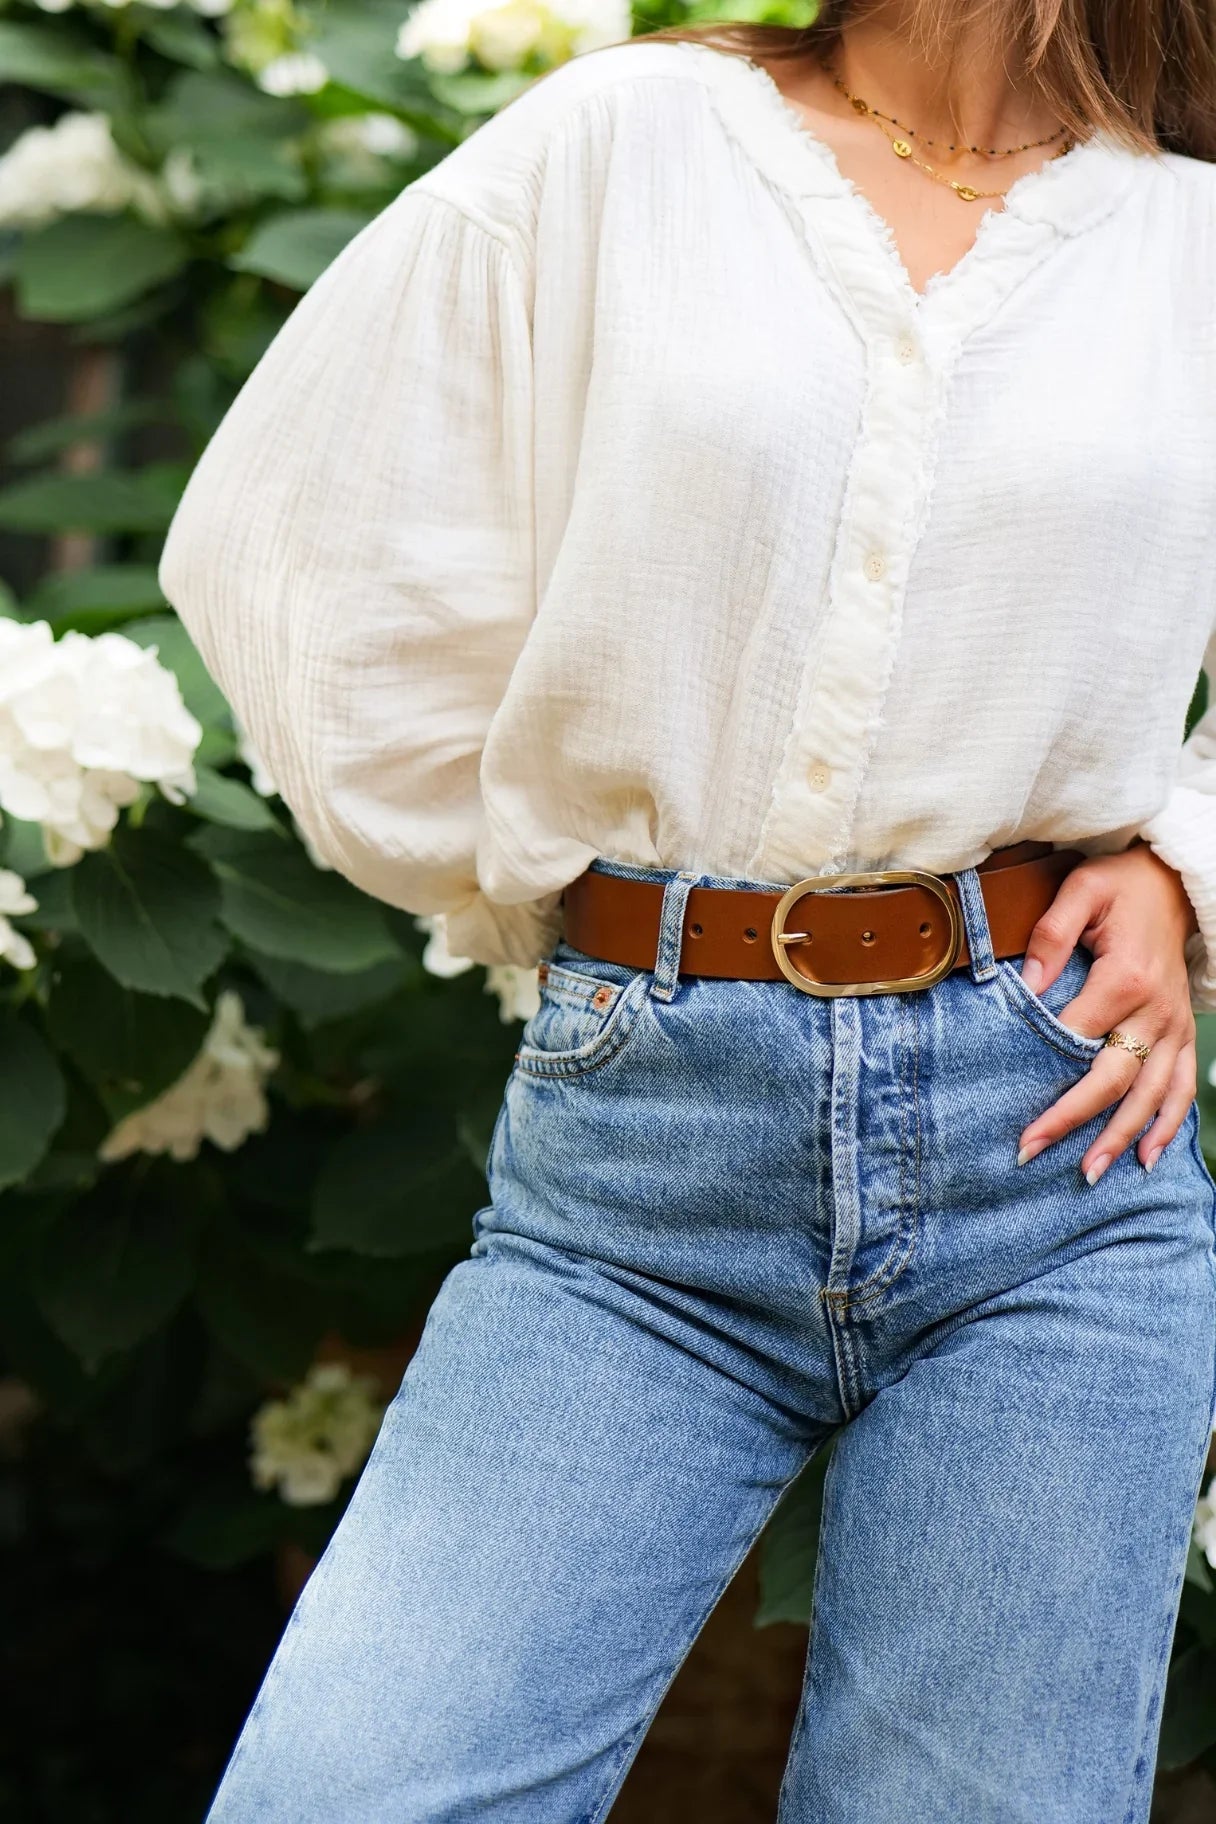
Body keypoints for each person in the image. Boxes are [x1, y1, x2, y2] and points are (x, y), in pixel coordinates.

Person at [157, 1, 1216, 1817]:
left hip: (1060, 1153)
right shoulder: (625, 143)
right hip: (647, 1156)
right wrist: (572, 902)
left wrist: (1182, 854)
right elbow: (301, 545)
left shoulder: (1184, 233)